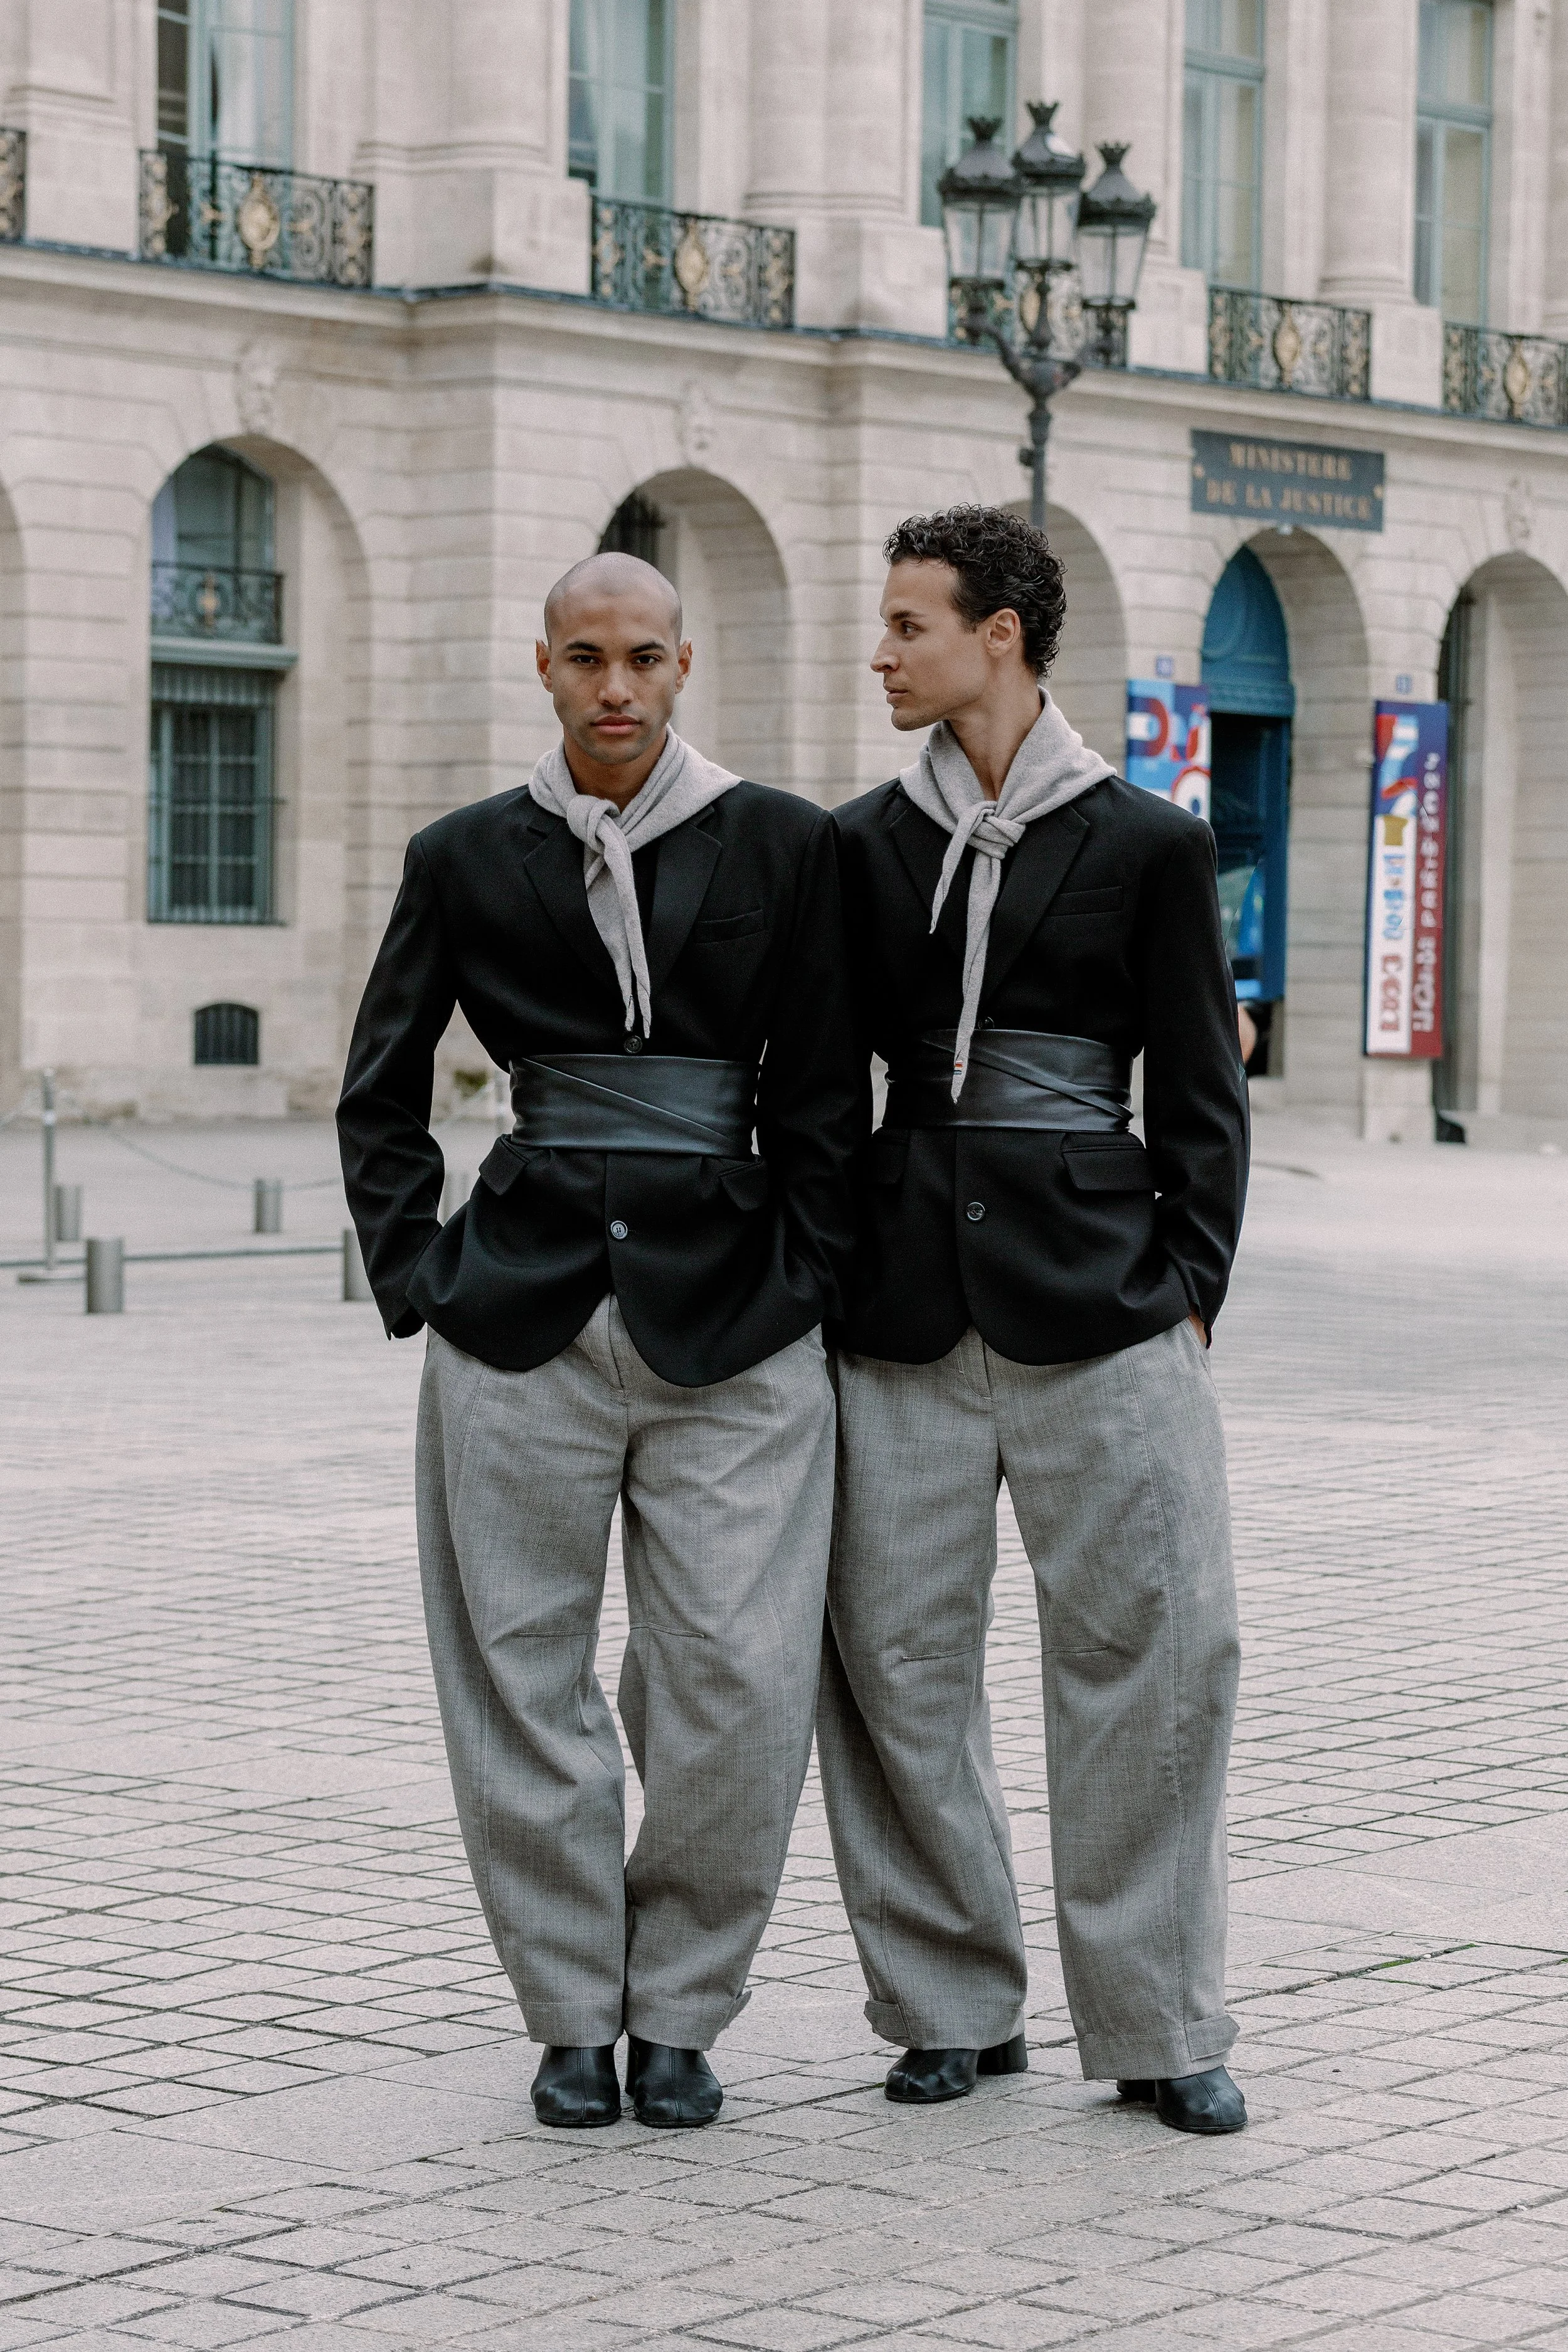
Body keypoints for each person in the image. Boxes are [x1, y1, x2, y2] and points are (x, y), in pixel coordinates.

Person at [338, 551, 857, 2132]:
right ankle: (570, 2010)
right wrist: (419, 1271)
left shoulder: (786, 844)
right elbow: (381, 1083)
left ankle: (684, 2007)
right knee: (516, 1676)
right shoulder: (461, 855)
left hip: (737, 1330)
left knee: (739, 1678)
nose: (615, 686)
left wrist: (806, 1276)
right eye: (585, 658)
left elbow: (829, 1093)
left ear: (684, 665)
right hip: (519, 1319)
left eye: (642, 657)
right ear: (543, 666)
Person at [817, 506, 1250, 2134]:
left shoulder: (1150, 843)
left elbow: (1202, 1089)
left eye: (907, 624)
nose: (882, 650)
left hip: (1104, 1304)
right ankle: (947, 2000)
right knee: (892, 1660)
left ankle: (1157, 2018)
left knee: (1159, 1651)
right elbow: (817, 1086)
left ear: (997, 634)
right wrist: (821, 1277)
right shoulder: (859, 845)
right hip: (901, 1312)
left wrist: (1189, 1286)